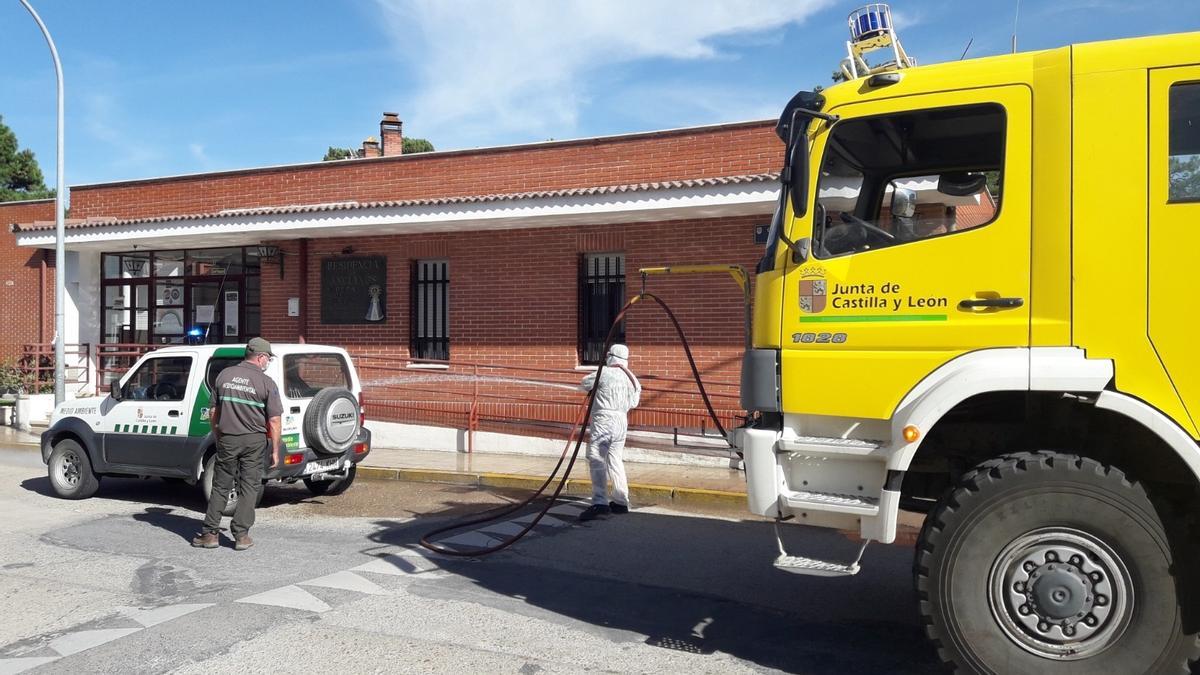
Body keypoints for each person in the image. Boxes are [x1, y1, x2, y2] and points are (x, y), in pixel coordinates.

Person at [192, 337, 283, 550]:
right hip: (254, 440)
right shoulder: (266, 382)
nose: (268, 362)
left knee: (221, 485)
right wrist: (276, 450)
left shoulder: (224, 375)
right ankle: (241, 536)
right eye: (268, 358)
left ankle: (210, 534)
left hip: (228, 438)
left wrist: (218, 434)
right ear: (260, 357)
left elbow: (213, 411)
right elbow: (275, 420)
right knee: (249, 486)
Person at [578, 344, 641, 522]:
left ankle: (600, 502)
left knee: (596, 458)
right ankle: (621, 501)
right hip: (622, 421)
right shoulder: (632, 379)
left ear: (610, 356)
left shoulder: (604, 373)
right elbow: (634, 402)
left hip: (604, 419)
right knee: (615, 459)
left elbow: (585, 383)